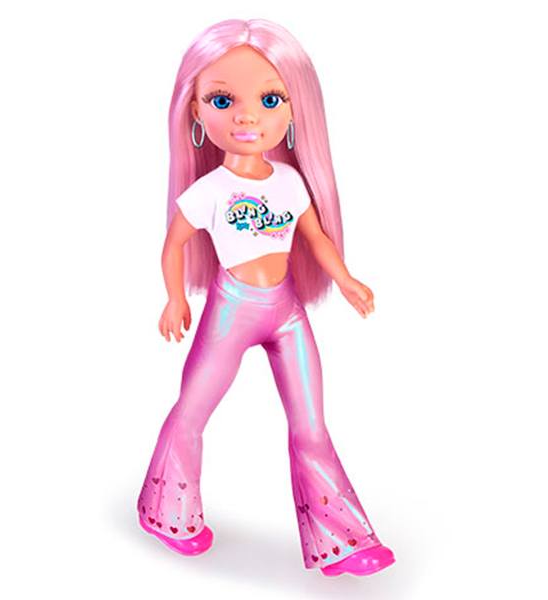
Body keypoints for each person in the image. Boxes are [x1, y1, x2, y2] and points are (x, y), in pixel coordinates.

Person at [136, 18, 395, 577]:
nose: (248, 117)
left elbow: (316, 239)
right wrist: (175, 298)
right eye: (223, 100)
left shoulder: (289, 181)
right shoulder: (209, 191)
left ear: (296, 108)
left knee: (311, 424)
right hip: (230, 310)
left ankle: (343, 542)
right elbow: (173, 244)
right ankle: (167, 513)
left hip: (286, 312)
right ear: (195, 111)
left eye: (270, 99)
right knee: (192, 410)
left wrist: (346, 278)